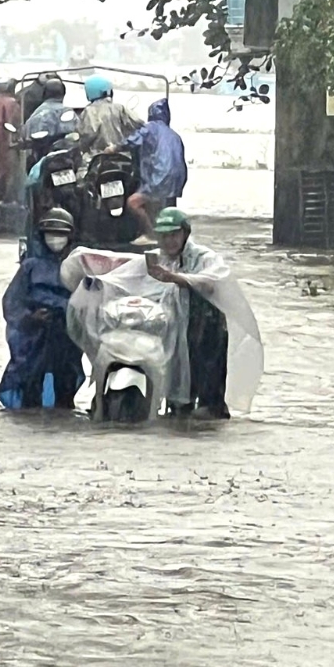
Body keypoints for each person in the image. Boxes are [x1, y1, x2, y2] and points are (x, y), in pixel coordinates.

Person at [145, 208, 230, 420]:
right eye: (164, 236)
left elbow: (211, 282)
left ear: (185, 233)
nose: (169, 241)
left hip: (206, 327)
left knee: (207, 395)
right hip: (175, 327)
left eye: (174, 235)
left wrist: (175, 278)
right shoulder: (158, 260)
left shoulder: (205, 257)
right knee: (178, 391)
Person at [0, 209, 86, 410]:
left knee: (65, 388)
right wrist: (31, 318)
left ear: (70, 237)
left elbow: (88, 300)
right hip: (34, 340)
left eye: (61, 234)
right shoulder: (30, 267)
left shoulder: (78, 267)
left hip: (65, 338)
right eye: (51, 234)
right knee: (30, 389)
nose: (56, 239)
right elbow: (12, 303)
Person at [107, 97, 187, 243]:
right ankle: (171, 238)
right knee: (166, 212)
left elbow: (133, 139)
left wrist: (114, 148)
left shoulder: (150, 128)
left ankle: (150, 235)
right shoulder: (175, 135)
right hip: (176, 180)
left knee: (133, 203)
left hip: (159, 177)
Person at [75, 75, 143, 175]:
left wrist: (82, 149)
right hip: (123, 157)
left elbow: (85, 136)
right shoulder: (120, 108)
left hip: (96, 159)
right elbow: (140, 126)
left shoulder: (88, 112)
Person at [22, 78, 77, 148]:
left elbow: (26, 135)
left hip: (40, 152)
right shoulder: (66, 110)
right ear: (63, 94)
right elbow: (74, 131)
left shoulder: (36, 113)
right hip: (62, 151)